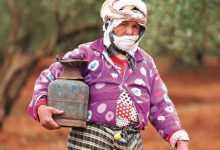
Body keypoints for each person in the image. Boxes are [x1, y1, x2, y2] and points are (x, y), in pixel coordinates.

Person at [28, 0, 189, 149]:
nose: (130, 31)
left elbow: (160, 104)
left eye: (135, 27)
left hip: (131, 142)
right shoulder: (88, 53)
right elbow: (48, 77)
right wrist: (41, 107)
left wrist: (177, 136)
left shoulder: (146, 62)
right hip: (89, 139)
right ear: (110, 24)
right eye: (124, 24)